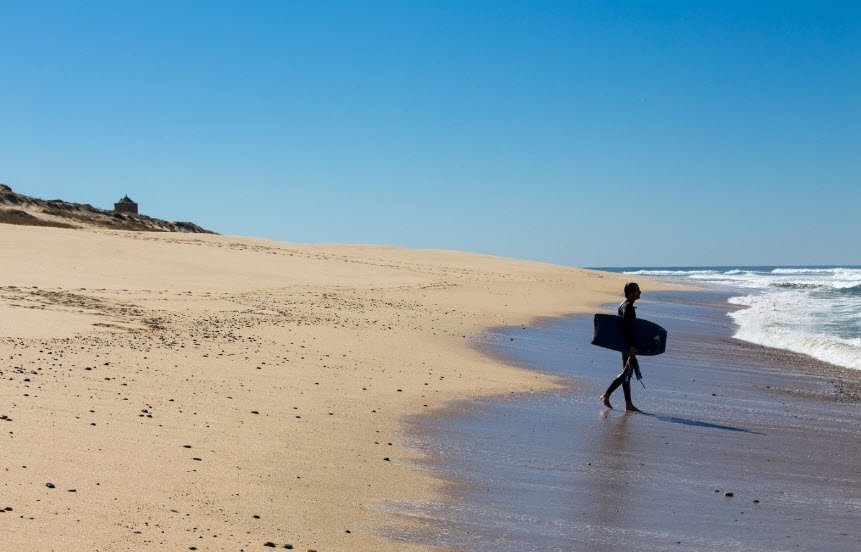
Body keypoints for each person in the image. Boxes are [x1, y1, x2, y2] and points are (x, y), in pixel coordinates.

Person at [600, 282, 642, 412]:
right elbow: (627, 327)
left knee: (627, 374)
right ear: (631, 293)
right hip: (627, 345)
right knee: (626, 373)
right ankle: (606, 395)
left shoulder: (624, 305)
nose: (640, 292)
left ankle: (628, 404)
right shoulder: (628, 307)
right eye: (637, 290)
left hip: (624, 344)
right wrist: (632, 346)